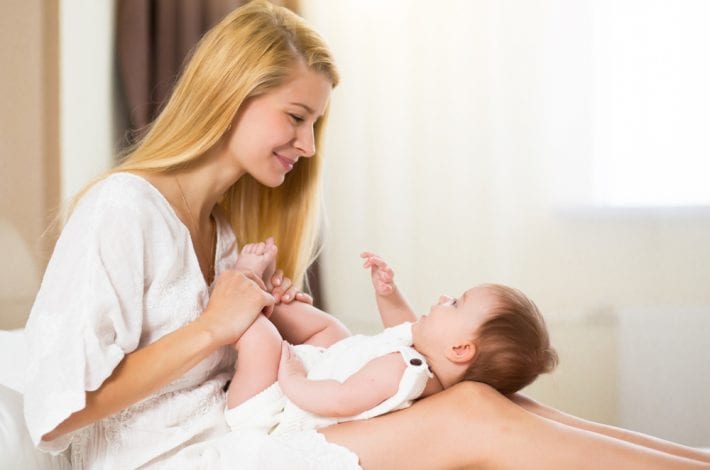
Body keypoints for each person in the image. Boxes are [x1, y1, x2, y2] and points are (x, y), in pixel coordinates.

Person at [21, 1, 710, 468]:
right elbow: (55, 417)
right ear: (232, 95)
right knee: (470, 417)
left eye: (313, 123)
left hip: (246, 432)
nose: (308, 145)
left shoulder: (223, 232)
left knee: (478, 392)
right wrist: (211, 328)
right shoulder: (123, 211)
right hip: (181, 458)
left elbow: (287, 348)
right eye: (295, 117)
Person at [225, 244, 558, 436]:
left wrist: (292, 378)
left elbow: (339, 400)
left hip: (275, 409)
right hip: (315, 377)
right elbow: (403, 327)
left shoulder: (401, 372)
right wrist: (388, 293)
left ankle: (238, 286)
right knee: (333, 331)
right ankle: (266, 295)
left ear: (459, 349)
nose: (444, 298)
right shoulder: (419, 360)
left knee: (265, 344)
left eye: (456, 303)